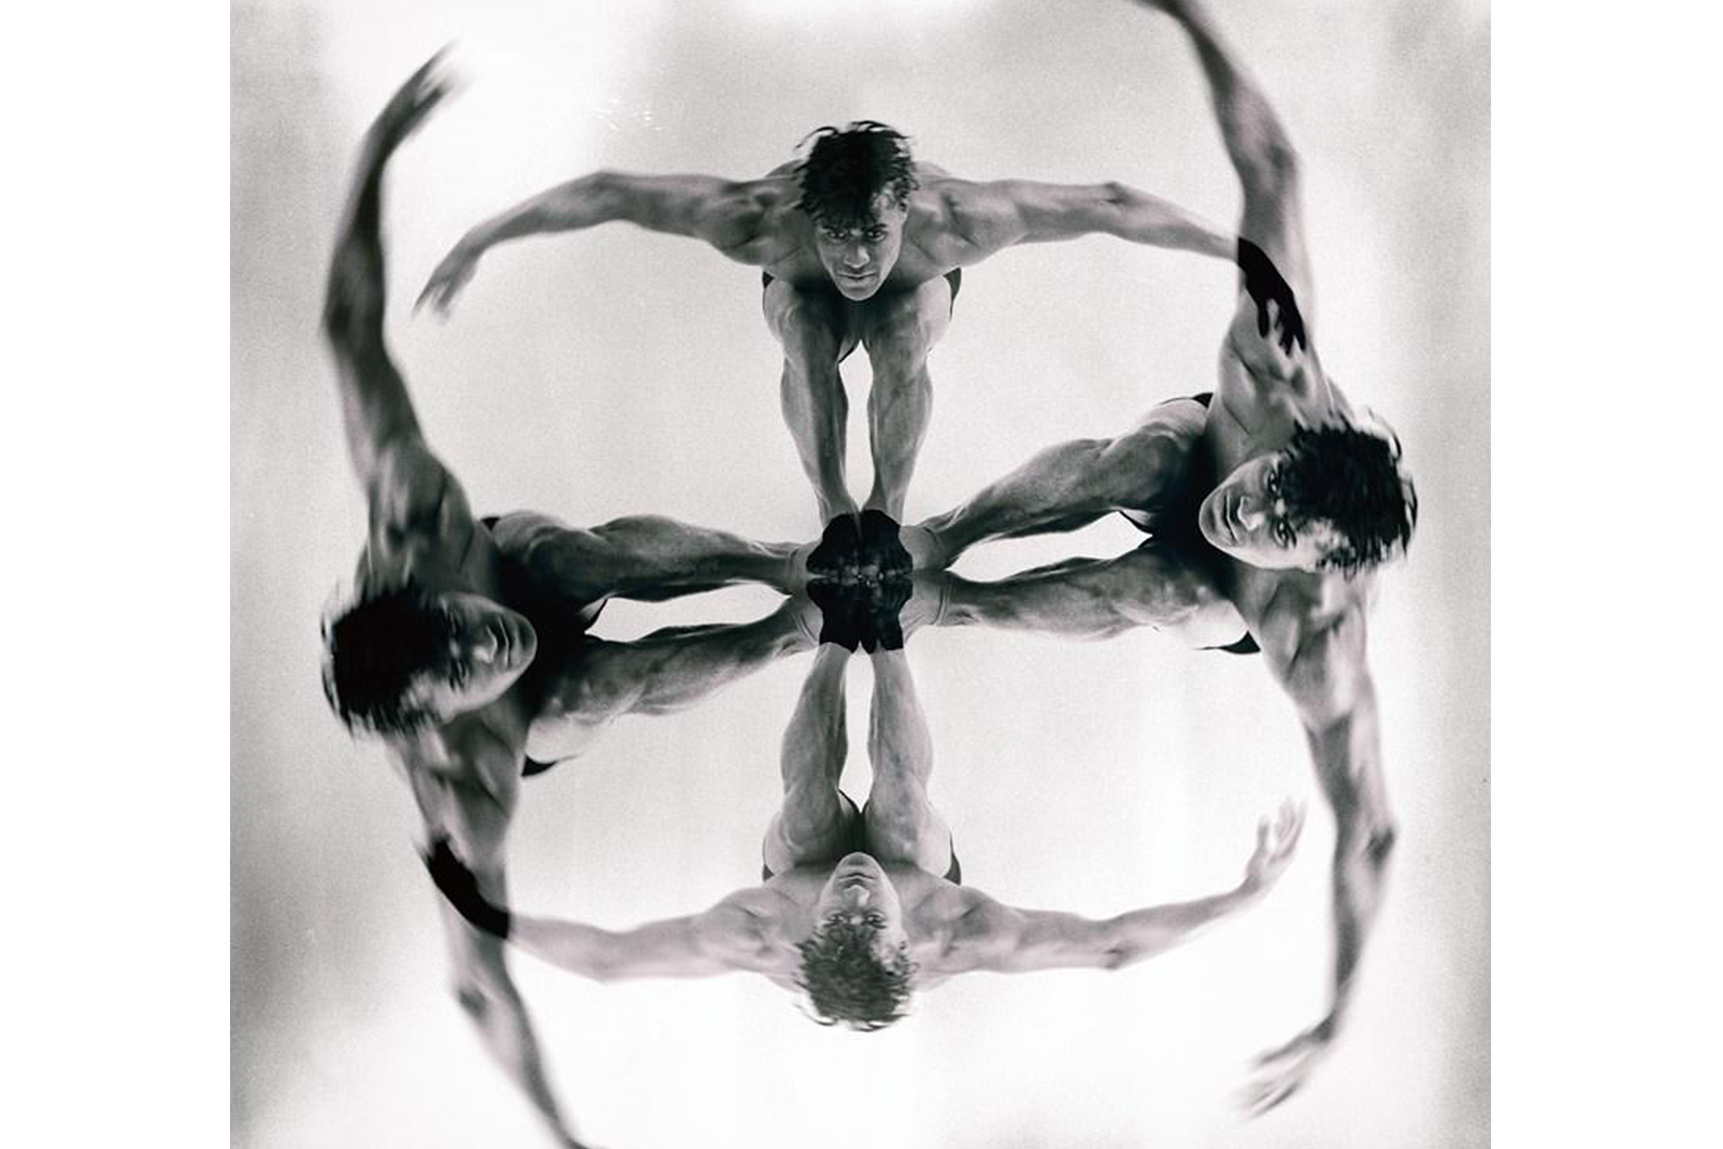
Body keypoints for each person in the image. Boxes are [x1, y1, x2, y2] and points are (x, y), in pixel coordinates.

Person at [900, 0, 1418, 1112]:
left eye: (1277, 533)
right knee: (1130, 466)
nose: (1247, 517)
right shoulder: (1274, 367)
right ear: (1290, 442)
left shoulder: (1313, 639)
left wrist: (1338, 1006)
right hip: (1188, 442)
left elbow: (1370, 829)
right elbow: (1273, 162)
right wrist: (1189, 15)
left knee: (1150, 590)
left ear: (1314, 568)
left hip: (1216, 606)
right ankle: (942, 543)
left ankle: (950, 605)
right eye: (1267, 490)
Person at [320, 56, 829, 1147]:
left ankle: (781, 565)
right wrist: (562, 1134)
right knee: (604, 684)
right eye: (462, 672)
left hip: (513, 554)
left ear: (426, 590)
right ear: (441, 718)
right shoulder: (466, 791)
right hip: (542, 721)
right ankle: (795, 624)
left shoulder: (414, 517)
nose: (487, 646)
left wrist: (374, 151)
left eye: (457, 629)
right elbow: (478, 989)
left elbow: (348, 330)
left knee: (577, 565)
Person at [415, 100, 1305, 534]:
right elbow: (607, 190)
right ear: (806, 217)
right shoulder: (755, 220)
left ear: (904, 209)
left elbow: (1109, 202)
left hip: (922, 290)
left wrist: (1240, 253)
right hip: (794, 295)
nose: (853, 260)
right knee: (806, 337)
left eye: (872, 236)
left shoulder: (957, 219)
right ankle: (836, 510)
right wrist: (479, 238)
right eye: (836, 238)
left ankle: (884, 511)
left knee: (900, 335)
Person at [428, 642, 1304, 1031]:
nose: (852, 888)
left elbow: (612, 960)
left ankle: (827, 639)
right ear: (905, 940)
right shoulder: (957, 931)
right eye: (869, 909)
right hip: (922, 856)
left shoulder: (762, 930)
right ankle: (884, 634)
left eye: (837, 910)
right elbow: (1108, 947)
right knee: (900, 811)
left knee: (809, 813)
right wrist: (1241, 895)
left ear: (807, 933)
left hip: (792, 857)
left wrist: (487, 913)